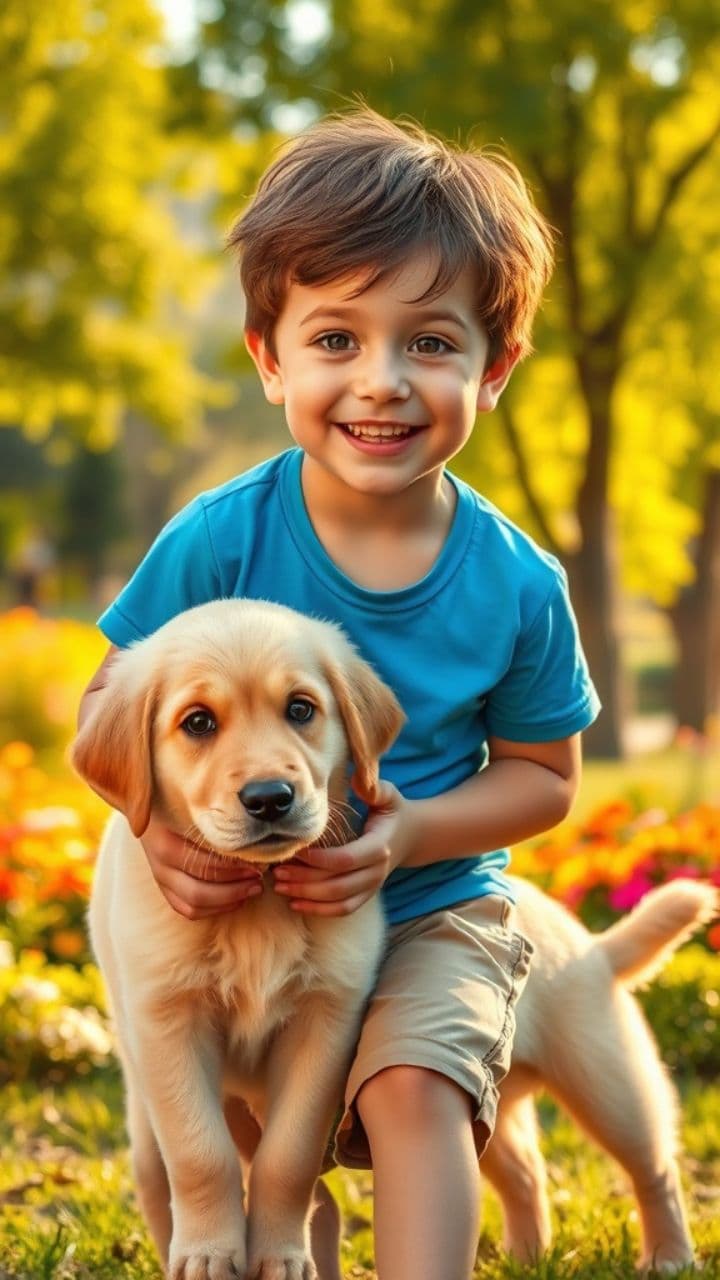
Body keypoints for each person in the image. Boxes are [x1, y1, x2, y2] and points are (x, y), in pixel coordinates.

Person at [79, 109, 600, 1280]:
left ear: (494, 367)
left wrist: (406, 833)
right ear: (269, 358)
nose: (382, 381)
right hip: (241, 902)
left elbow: (544, 777)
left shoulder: (519, 583)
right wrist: (157, 838)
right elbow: (113, 713)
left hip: (432, 901)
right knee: (216, 1148)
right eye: (334, 338)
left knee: (416, 1086)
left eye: (431, 341)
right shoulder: (216, 539)